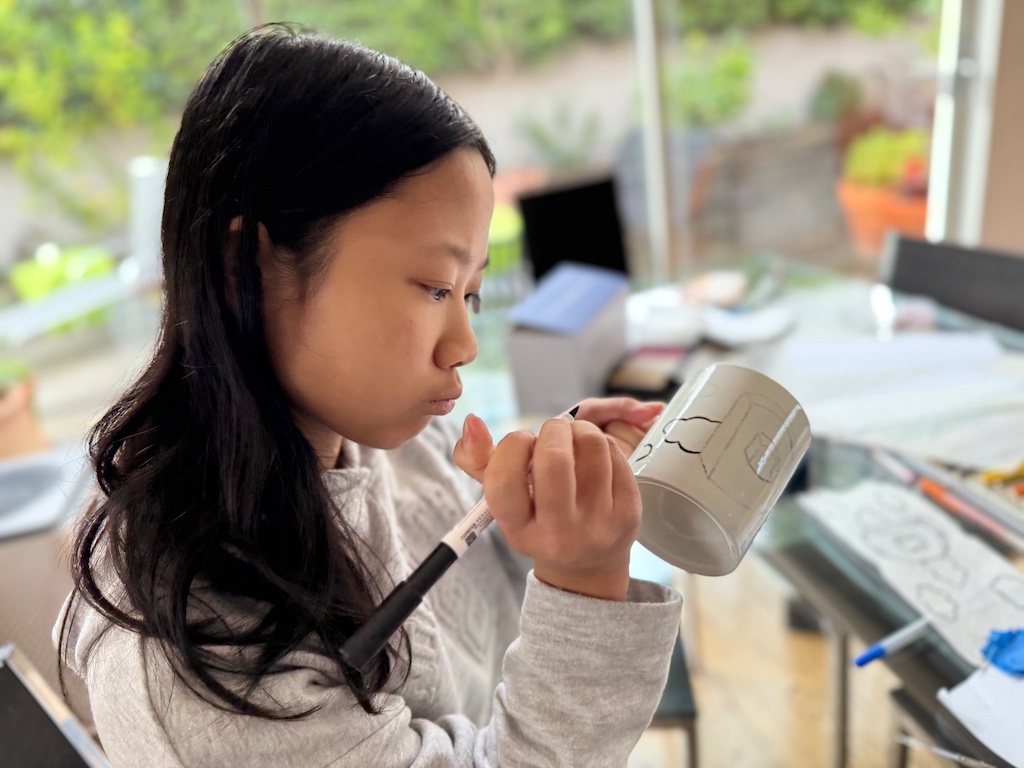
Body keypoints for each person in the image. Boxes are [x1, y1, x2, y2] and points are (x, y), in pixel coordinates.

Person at [55, 23, 682, 767]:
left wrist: (547, 500)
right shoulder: (205, 662)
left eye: (473, 296)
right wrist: (584, 582)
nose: (464, 346)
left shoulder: (384, 431)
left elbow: (493, 606)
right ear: (243, 270)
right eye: (435, 287)